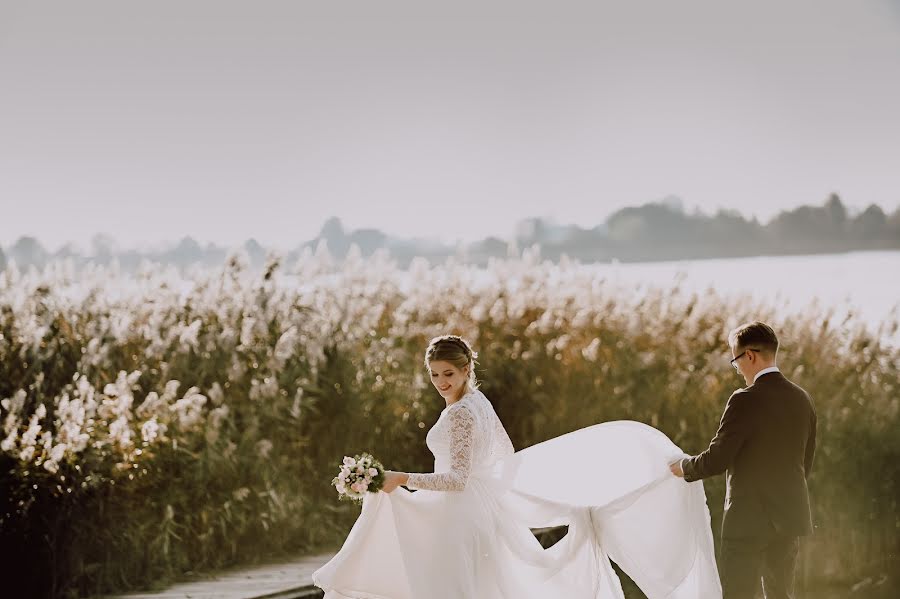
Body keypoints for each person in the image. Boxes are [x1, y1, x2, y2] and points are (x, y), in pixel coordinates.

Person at [314, 334, 722, 599]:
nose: (441, 381)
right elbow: (502, 457)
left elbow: (457, 479)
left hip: (456, 516)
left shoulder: (460, 414)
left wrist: (400, 479)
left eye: (449, 374)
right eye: (435, 374)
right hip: (473, 512)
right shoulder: (478, 402)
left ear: (467, 369)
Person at [670, 321, 817, 599]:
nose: (737, 369)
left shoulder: (744, 399)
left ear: (749, 356)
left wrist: (685, 467)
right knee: (781, 595)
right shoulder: (803, 399)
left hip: (748, 523)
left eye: (735, 361)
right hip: (789, 518)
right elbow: (804, 464)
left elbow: (717, 459)